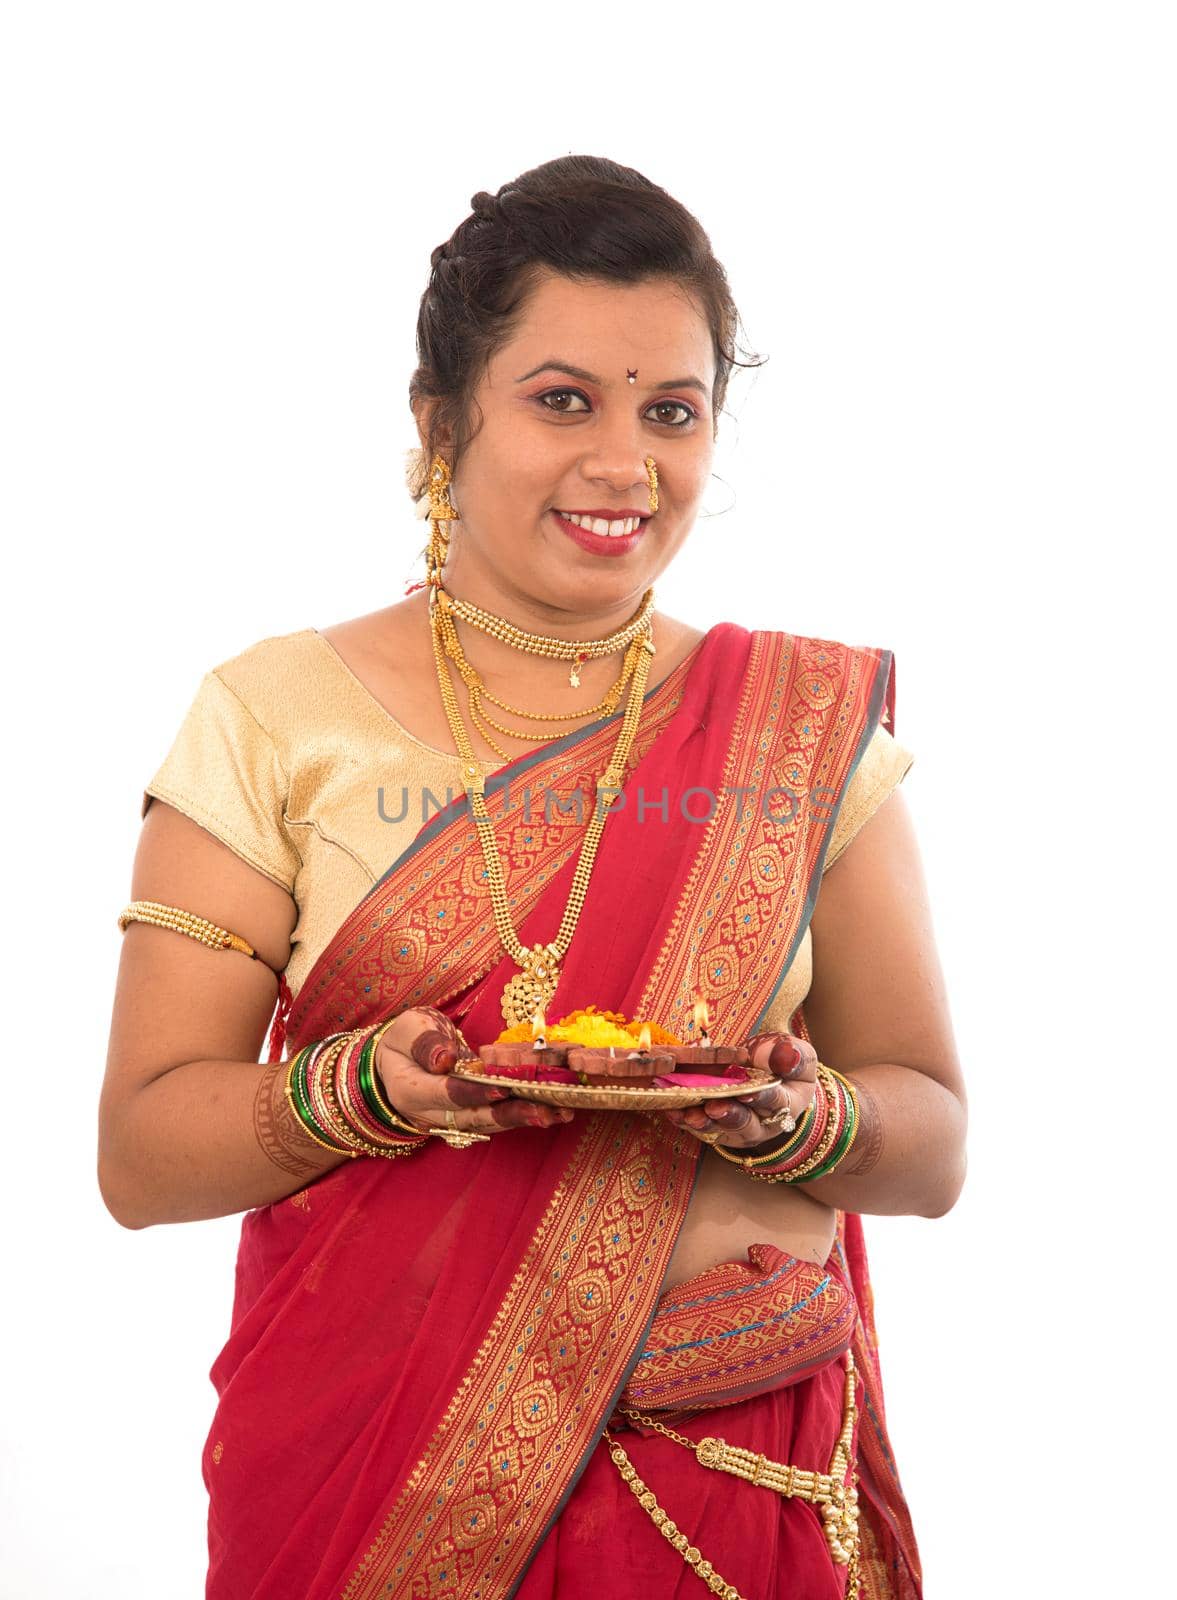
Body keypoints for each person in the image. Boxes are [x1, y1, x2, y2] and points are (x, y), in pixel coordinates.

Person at [100, 155, 966, 1600]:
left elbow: (931, 1139)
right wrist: (364, 1090)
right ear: (443, 419)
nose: (625, 463)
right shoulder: (275, 717)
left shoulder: (798, 730)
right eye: (562, 399)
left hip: (733, 1482)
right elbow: (141, 1150)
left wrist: (792, 1113)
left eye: (671, 411)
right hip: (380, 1482)